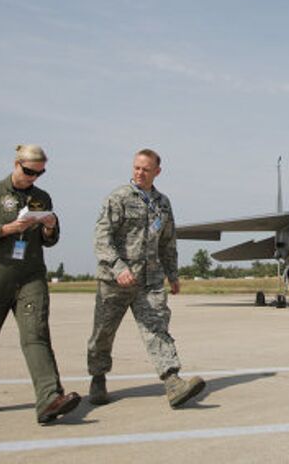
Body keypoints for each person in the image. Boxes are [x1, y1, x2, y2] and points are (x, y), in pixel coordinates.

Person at [0, 145, 81, 424]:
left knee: (36, 335)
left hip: (31, 276)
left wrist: (49, 227)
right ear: (16, 164)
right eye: (28, 172)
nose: (33, 178)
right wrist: (4, 230)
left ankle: (50, 398)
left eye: (39, 173)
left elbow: (50, 239)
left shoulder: (42, 197)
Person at [87, 148, 205, 408]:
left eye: (146, 169)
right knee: (103, 333)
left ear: (157, 172)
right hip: (114, 281)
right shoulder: (117, 198)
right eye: (136, 168)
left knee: (157, 329)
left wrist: (172, 274)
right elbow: (101, 238)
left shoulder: (163, 203)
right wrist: (119, 269)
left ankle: (173, 381)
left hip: (149, 281)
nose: (140, 173)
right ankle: (97, 378)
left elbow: (167, 242)